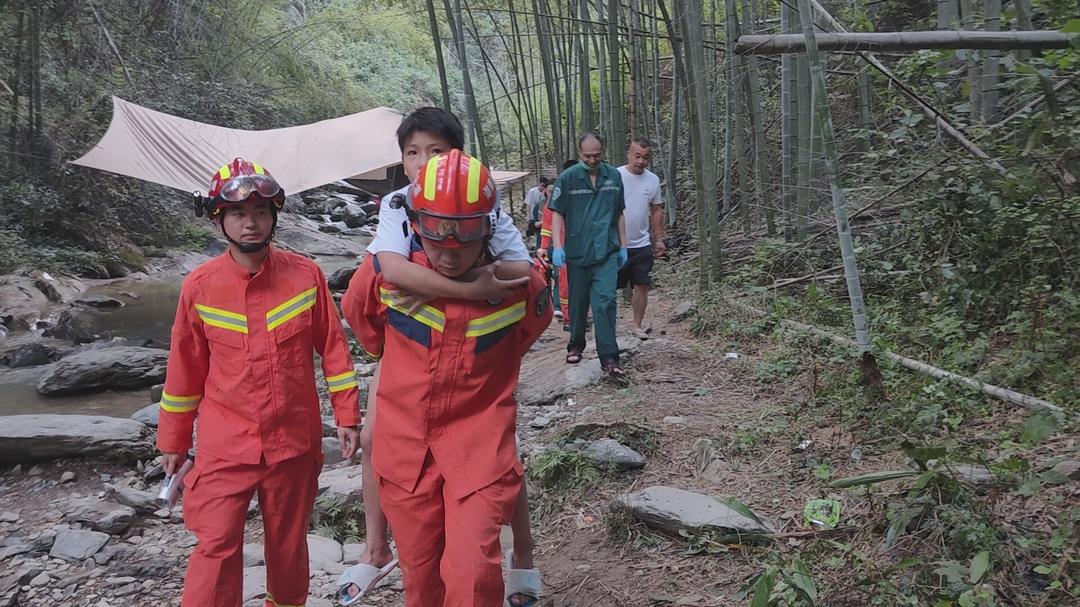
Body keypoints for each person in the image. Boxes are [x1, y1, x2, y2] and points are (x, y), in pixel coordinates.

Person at [338, 107, 541, 606]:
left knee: (473, 575)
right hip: (406, 447)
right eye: (436, 231)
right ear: (415, 218)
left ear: (486, 226)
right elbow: (365, 323)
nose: (449, 250)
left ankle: (524, 560)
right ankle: (374, 549)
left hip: (478, 444)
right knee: (422, 578)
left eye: (464, 233)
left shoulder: (515, 283)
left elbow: (528, 327)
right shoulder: (387, 269)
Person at [158, 158, 361, 607]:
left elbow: (332, 349)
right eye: (238, 214)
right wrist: (173, 441)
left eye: (261, 213)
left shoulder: (305, 275)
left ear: (274, 217)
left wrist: (347, 414)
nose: (251, 223)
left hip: (293, 440)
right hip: (223, 444)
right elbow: (184, 370)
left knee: (287, 547)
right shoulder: (200, 287)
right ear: (219, 219)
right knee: (215, 544)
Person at [549, 134, 629, 376]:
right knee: (578, 302)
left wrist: (624, 245)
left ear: (603, 151)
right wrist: (557, 246)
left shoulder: (614, 177)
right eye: (587, 156)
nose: (592, 160)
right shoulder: (568, 178)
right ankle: (575, 344)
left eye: (597, 155)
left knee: (605, 302)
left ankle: (609, 357)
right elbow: (556, 214)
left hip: (606, 250)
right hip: (577, 251)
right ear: (579, 152)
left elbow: (619, 213)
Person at [617, 138, 665, 339]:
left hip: (642, 242)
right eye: (637, 156)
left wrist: (659, 239)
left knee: (641, 284)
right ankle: (609, 327)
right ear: (629, 154)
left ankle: (636, 325)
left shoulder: (652, 180)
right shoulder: (615, 175)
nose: (641, 161)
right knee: (609, 286)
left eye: (646, 157)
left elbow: (656, 210)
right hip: (615, 243)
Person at [525, 177, 550, 250]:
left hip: (541, 215)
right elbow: (528, 204)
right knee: (532, 230)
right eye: (541, 185)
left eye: (543, 186)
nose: (542, 187)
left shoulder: (544, 193)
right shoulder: (532, 191)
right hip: (534, 214)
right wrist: (528, 215)